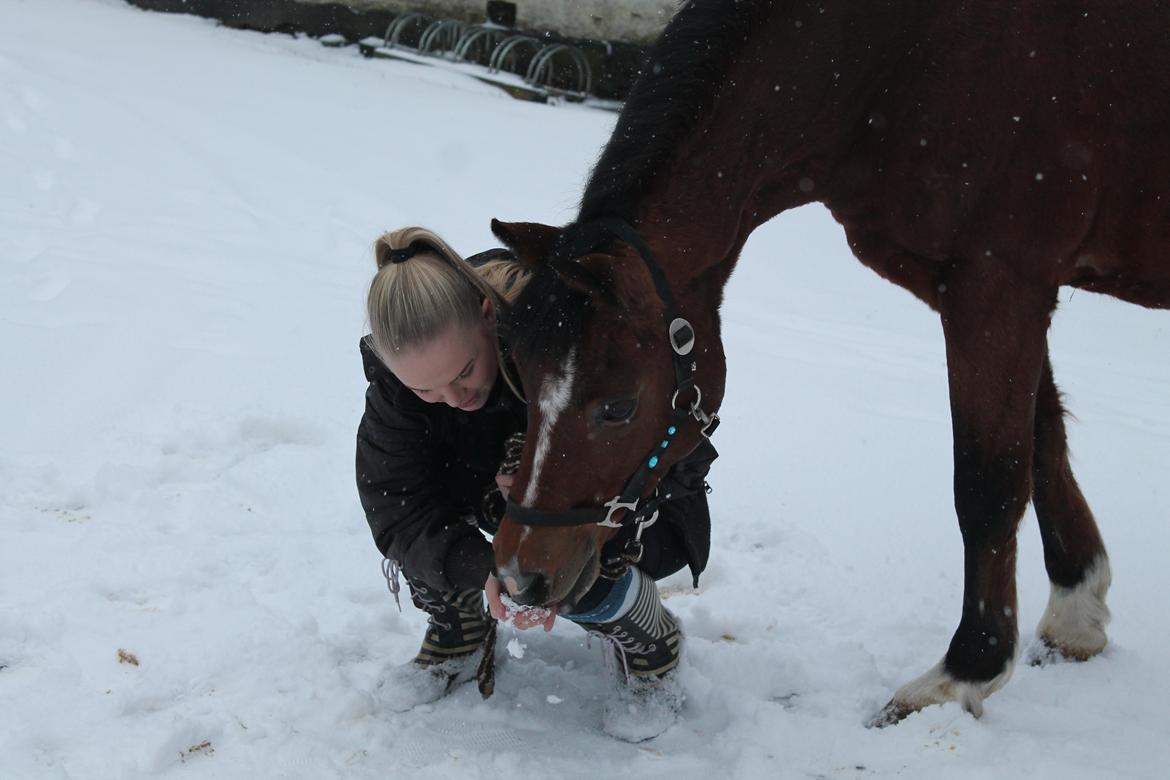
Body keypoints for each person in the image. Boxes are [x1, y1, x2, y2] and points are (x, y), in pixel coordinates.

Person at [356, 226, 717, 740]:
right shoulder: (396, 389)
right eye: (424, 389)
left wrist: (555, 500)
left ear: (487, 313)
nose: (453, 397)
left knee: (549, 561)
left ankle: (652, 644)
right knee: (430, 532)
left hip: (634, 514)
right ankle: (460, 628)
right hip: (498, 507)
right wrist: (479, 567)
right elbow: (396, 502)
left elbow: (681, 455)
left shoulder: (579, 339)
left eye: (464, 372)